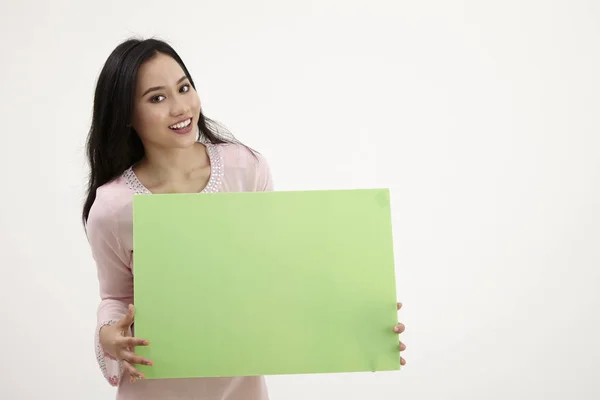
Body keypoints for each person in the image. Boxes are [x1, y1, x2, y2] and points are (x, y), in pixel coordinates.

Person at [82, 37, 406, 400]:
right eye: (157, 98)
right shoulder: (113, 207)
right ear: (126, 113)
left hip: (240, 387)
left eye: (184, 88)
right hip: (157, 387)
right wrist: (109, 335)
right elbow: (115, 296)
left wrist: (358, 309)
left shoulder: (244, 169)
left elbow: (279, 272)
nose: (180, 107)